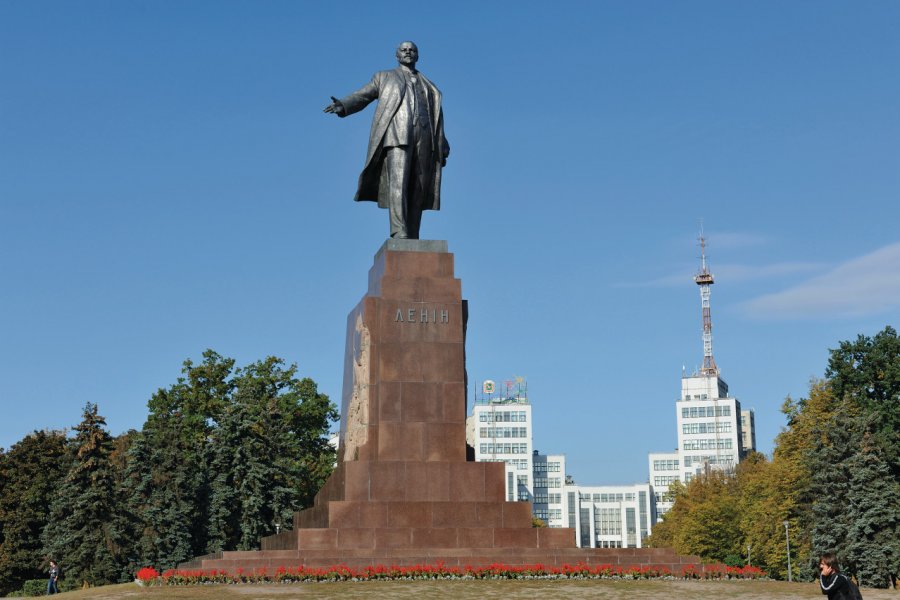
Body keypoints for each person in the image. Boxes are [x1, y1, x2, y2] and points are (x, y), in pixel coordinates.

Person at [324, 41, 450, 240]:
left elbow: (436, 117)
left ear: (417, 55)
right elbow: (363, 95)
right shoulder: (384, 77)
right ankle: (399, 231)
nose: (408, 52)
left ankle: (413, 235)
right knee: (398, 184)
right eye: (404, 49)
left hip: (425, 138)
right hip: (398, 135)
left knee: (418, 188)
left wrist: (442, 140)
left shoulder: (429, 86)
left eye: (412, 50)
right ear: (397, 55)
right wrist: (344, 104)